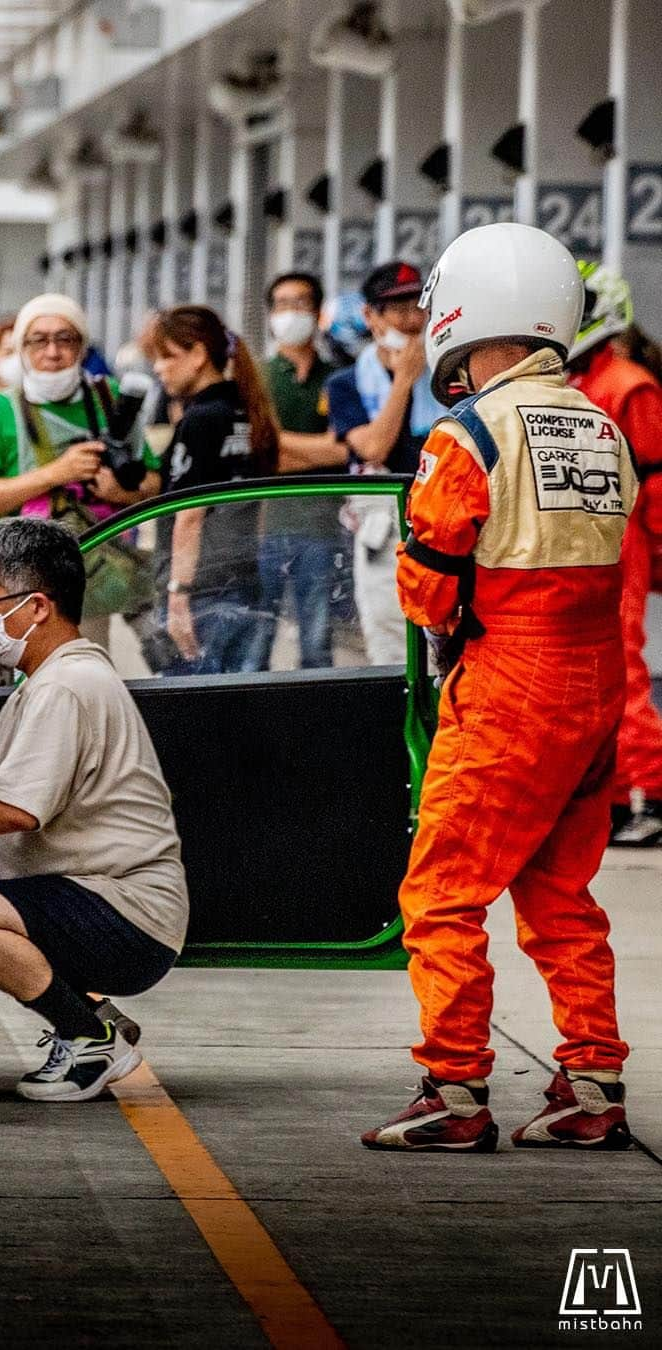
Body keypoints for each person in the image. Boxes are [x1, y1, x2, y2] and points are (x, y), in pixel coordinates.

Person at [363, 223, 638, 1153]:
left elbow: (428, 584)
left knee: (441, 891)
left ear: (462, 311)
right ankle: (592, 1083)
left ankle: (453, 1088)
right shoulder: (599, 422)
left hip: (511, 677)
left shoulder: (468, 431)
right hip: (598, 676)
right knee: (562, 891)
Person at [0, 517, 188, 1102]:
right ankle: (91, 1013)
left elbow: (12, 811)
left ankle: (91, 1037)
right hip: (90, 895)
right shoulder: (45, 681)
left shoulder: (66, 687)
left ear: (35, 607)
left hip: (126, 914)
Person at [566, 264, 662, 846]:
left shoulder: (628, 383)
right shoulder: (583, 379)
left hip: (621, 539)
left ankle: (650, 793)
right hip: (592, 537)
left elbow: (652, 482)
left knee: (623, 671)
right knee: (599, 676)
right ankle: (619, 796)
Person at [0, 293, 160, 527]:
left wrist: (123, 493)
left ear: (82, 348)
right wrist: (56, 473)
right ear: (23, 349)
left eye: (65, 339)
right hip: (20, 559)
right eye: (39, 340)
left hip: (104, 556)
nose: (52, 353)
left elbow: (155, 482)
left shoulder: (107, 396)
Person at [325, 262, 445, 665]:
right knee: (393, 649)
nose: (411, 321)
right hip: (385, 533)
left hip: (446, 525)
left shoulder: (450, 378)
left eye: (419, 307)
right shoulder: (347, 383)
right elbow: (373, 447)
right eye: (397, 309)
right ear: (370, 317)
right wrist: (402, 383)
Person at [152, 305, 279, 674]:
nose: (159, 368)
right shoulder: (246, 410)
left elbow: (189, 514)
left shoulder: (201, 419)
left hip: (201, 593)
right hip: (245, 579)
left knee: (192, 715)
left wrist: (178, 596)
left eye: (167, 356)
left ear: (198, 355)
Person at [247, 271, 346, 670]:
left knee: (318, 641)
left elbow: (349, 450)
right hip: (264, 526)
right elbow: (264, 454)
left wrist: (280, 443)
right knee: (256, 641)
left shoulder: (337, 377)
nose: (291, 313)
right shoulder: (256, 376)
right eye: (282, 304)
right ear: (271, 314)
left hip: (321, 525)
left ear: (318, 312)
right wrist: (326, 449)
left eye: (301, 303)